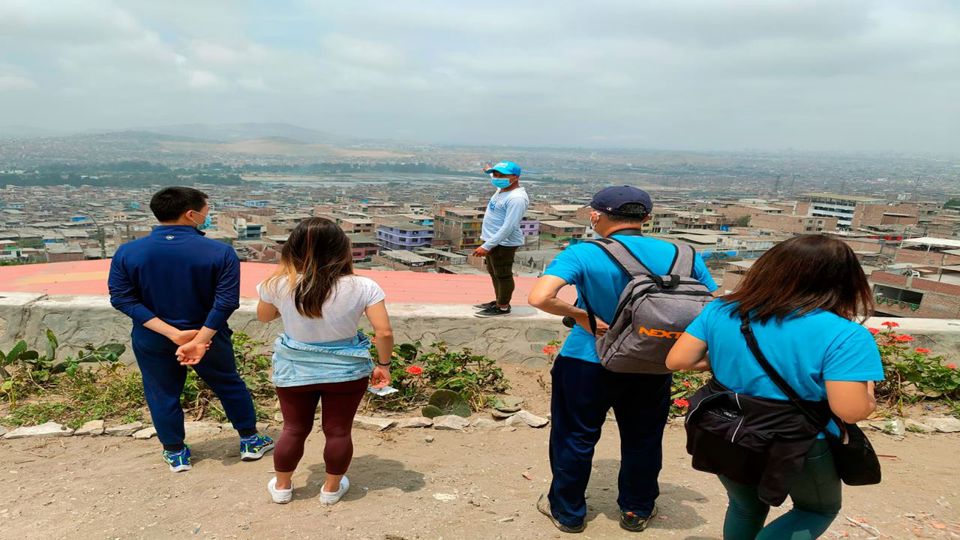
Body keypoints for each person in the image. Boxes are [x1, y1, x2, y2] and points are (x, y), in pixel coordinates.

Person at [528, 186, 718, 534]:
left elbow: (539, 296)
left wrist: (582, 316)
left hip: (588, 359)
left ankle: (568, 512)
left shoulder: (584, 253)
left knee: (575, 436)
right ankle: (636, 509)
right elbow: (713, 306)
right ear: (646, 218)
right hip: (652, 360)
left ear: (595, 216)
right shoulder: (685, 253)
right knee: (643, 437)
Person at [666, 235, 882, 540]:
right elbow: (849, 410)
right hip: (796, 439)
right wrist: (869, 394)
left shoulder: (722, 310)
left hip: (726, 429)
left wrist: (726, 362)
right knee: (815, 510)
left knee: (745, 506)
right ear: (846, 281)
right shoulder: (846, 335)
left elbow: (677, 360)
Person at [108, 186, 274, 473]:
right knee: (228, 384)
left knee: (162, 391)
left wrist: (172, 334)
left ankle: (175, 452)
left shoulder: (128, 252)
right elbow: (225, 302)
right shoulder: (219, 252)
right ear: (191, 214)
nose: (207, 215)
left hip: (153, 337)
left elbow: (122, 298)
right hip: (208, 335)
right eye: (206, 211)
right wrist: (199, 339)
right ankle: (249, 439)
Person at [256, 217, 393, 505]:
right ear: (342, 249)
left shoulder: (278, 284)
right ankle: (330, 490)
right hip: (345, 370)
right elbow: (383, 331)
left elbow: (265, 317)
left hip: (295, 368)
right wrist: (384, 365)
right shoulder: (363, 286)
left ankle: (282, 487)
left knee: (293, 429)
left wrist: (285, 285)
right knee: (339, 430)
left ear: (291, 249)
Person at [473, 161, 530, 318]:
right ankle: (499, 300)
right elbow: (494, 176)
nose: (497, 178)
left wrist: (487, 245)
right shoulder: (503, 188)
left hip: (504, 243)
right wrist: (488, 169)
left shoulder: (516, 198)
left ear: (515, 177)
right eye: (496, 175)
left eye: (502, 175)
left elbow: (509, 226)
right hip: (493, 240)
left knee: (503, 274)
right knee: (494, 272)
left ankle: (503, 306)